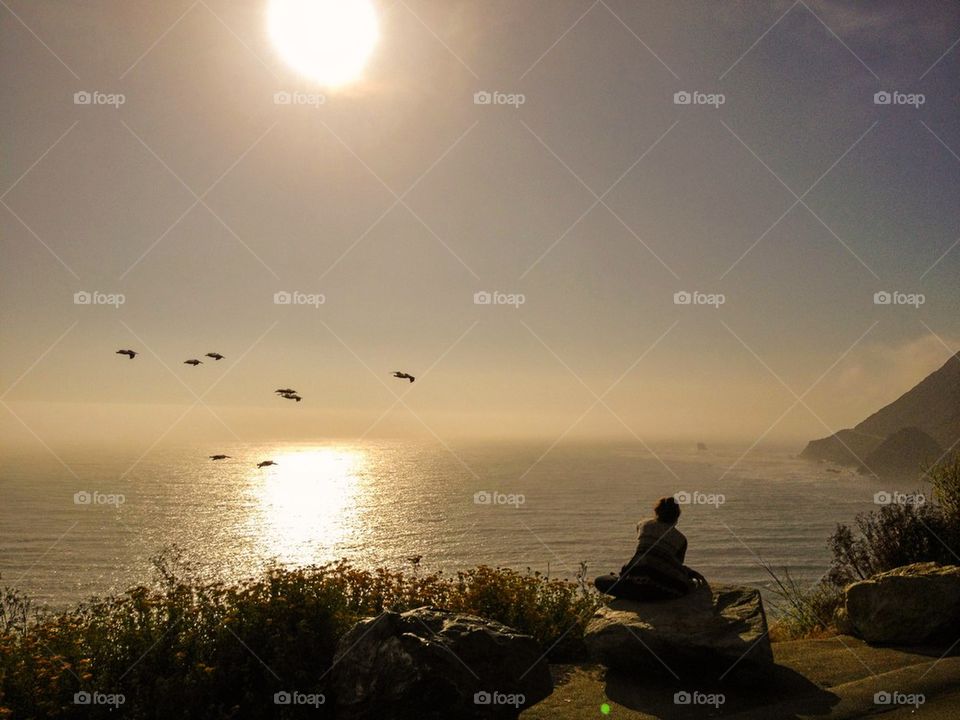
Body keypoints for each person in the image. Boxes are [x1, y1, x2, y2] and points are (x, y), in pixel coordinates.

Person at [595, 496, 706, 601]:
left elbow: (643, 553)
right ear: (677, 516)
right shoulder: (681, 540)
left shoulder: (643, 525)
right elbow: (675, 565)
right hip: (663, 591)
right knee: (686, 587)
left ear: (656, 512)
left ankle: (632, 595)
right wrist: (691, 573)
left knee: (601, 581)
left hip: (635, 585)